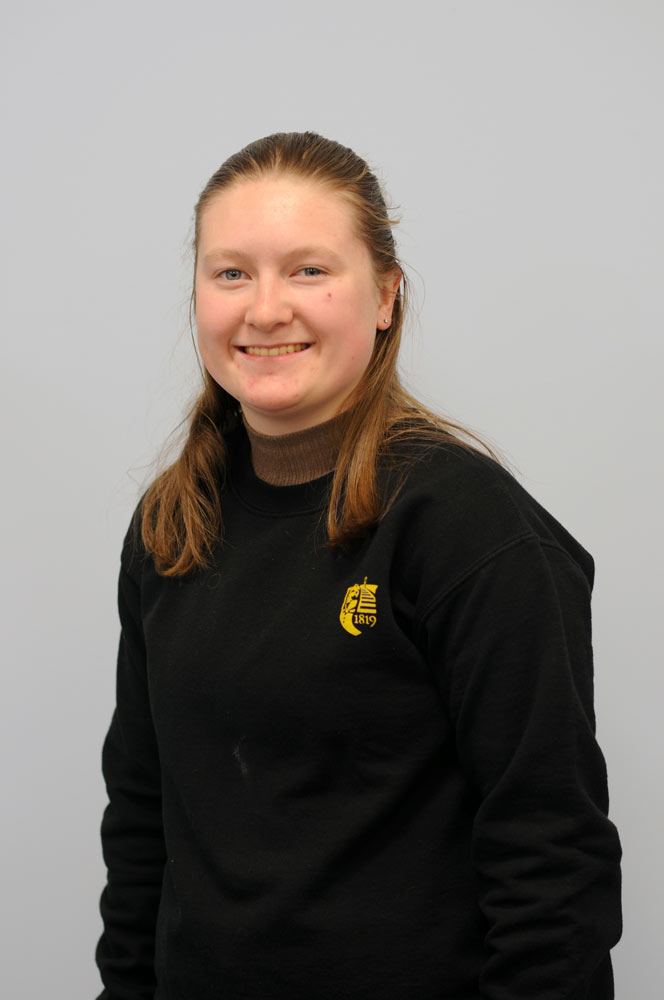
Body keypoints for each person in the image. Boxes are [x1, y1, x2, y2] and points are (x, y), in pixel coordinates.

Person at [95, 131, 622, 999]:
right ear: (197, 298)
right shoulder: (170, 524)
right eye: (232, 274)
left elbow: (550, 857)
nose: (266, 310)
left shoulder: (465, 526)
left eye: (309, 271)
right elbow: (142, 828)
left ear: (384, 296)